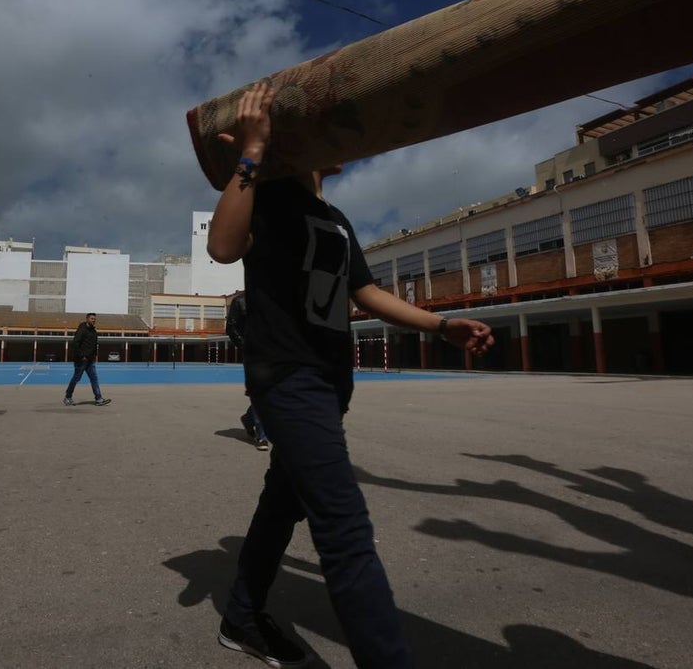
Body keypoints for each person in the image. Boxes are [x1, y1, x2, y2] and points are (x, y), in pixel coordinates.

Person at [206, 82, 494, 668]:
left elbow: (363, 291)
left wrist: (441, 327)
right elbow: (221, 247)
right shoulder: (269, 193)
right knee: (345, 531)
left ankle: (241, 615)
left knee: (281, 503)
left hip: (331, 378)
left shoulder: (334, 218)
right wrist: (253, 152)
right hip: (288, 377)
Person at [226, 293, 270, 451]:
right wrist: (247, 347)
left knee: (272, 393)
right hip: (253, 353)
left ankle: (248, 418)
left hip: (274, 352)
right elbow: (231, 327)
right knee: (259, 392)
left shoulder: (274, 297)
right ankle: (262, 435)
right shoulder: (239, 301)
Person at [63, 312, 111, 406]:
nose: (94, 320)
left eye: (95, 319)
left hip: (90, 360)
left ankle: (99, 399)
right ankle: (68, 397)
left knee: (94, 379)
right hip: (81, 360)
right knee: (76, 378)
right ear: (87, 319)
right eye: (92, 318)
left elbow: (94, 344)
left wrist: (95, 355)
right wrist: (82, 356)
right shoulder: (82, 329)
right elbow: (75, 343)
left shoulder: (93, 331)